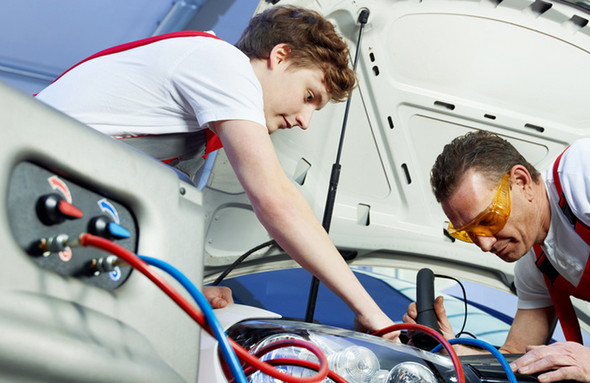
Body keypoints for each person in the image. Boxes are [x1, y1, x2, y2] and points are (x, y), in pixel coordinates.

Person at [36, 5, 397, 339]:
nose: (304, 121)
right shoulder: (223, 64)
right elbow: (276, 199)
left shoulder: (194, 130)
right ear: (279, 56)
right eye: (308, 96)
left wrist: (187, 285)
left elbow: (149, 217)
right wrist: (372, 313)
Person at [404, 130, 590, 381]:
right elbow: (515, 356)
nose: (484, 244)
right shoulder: (536, 263)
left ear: (521, 181)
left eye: (488, 219)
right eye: (468, 232)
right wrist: (447, 347)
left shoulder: (582, 169)